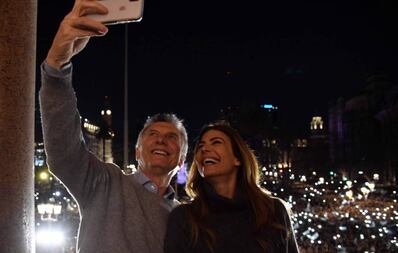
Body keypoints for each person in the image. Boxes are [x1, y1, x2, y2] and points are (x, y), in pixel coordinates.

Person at [39, 1, 188, 252]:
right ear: (138, 151)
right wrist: (56, 66)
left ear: (182, 158)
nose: (161, 140)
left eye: (172, 137)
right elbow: (64, 150)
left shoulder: (185, 219)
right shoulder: (104, 183)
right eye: (152, 134)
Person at [164, 121, 299, 253]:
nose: (204, 149)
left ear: (237, 158)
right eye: (200, 146)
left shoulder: (274, 211)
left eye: (216, 142)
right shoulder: (184, 218)